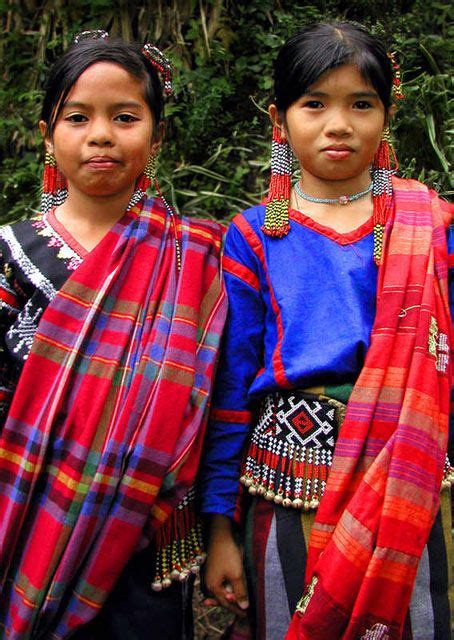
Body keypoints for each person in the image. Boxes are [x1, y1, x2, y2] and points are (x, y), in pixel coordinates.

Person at [199, 22, 453, 640]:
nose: (338, 124)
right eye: (314, 103)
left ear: (386, 117)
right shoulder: (255, 234)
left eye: (360, 104)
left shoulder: (430, 226)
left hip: (408, 481)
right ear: (278, 121)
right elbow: (232, 383)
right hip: (288, 482)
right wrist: (219, 527)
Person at [0, 31, 226, 639]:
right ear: (50, 135)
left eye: (125, 116)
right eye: (78, 117)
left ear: (156, 136)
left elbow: (214, 396)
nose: (101, 134)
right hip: (26, 523)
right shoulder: (10, 255)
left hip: (146, 537)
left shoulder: (198, 257)